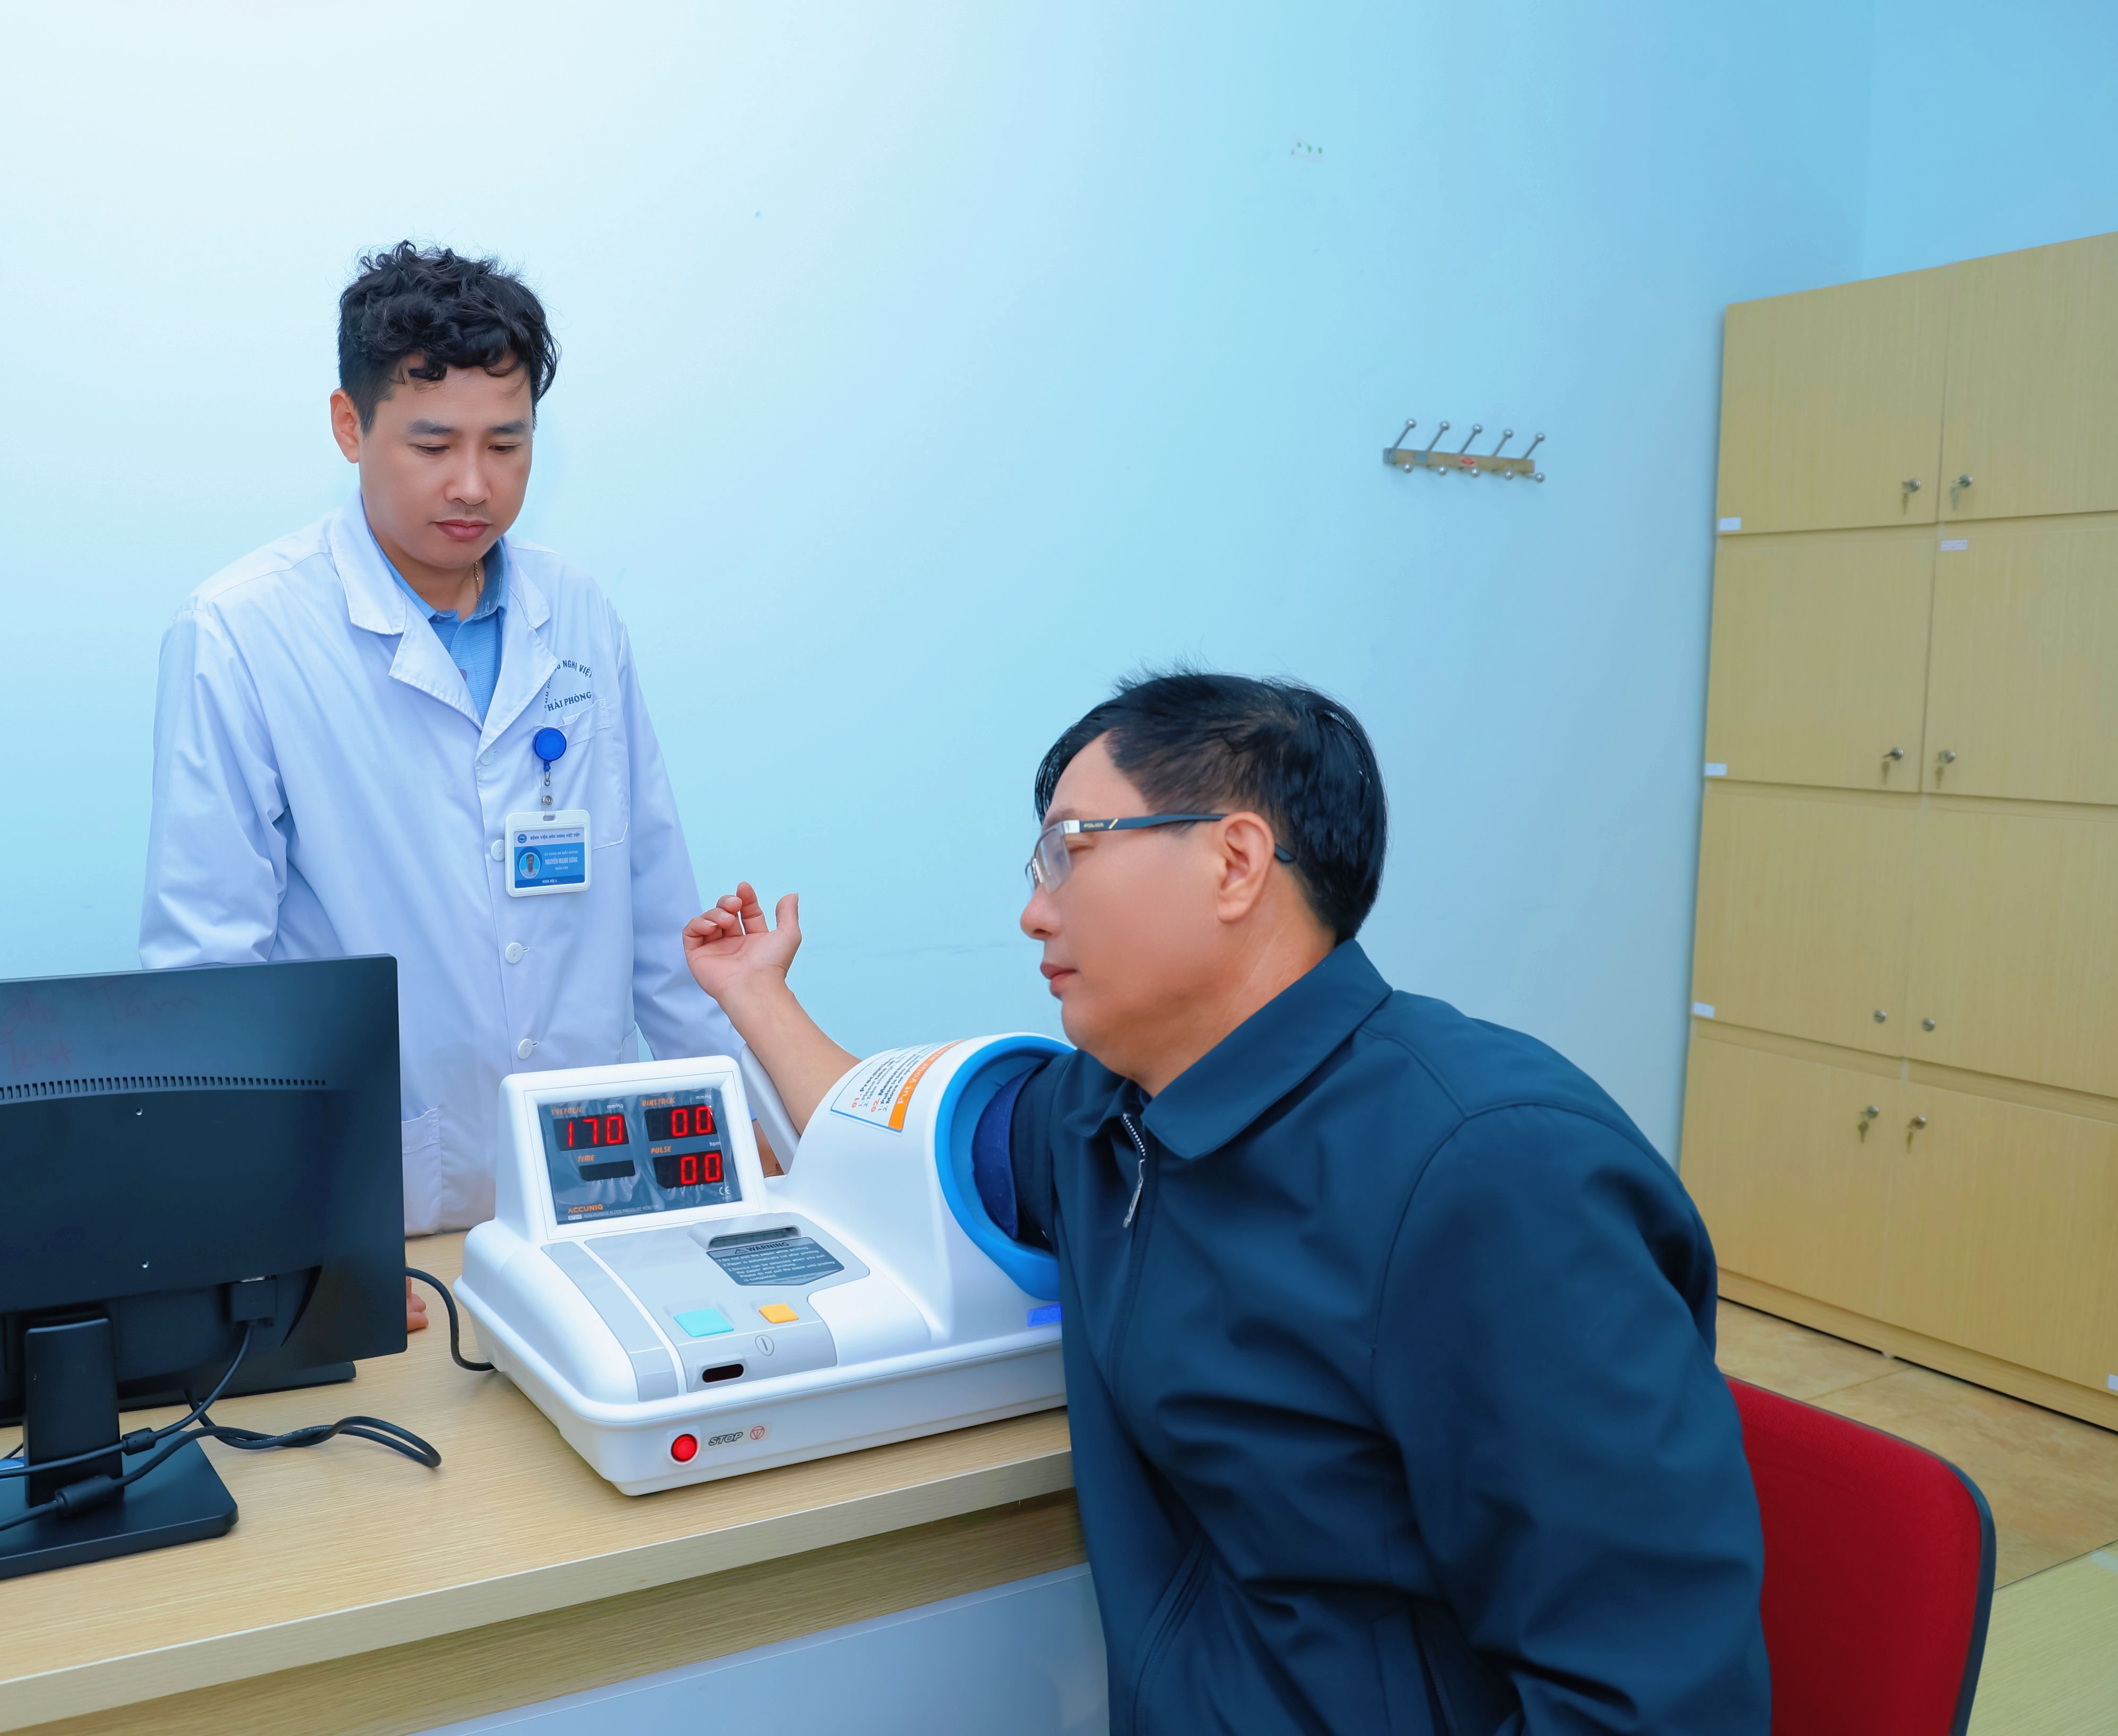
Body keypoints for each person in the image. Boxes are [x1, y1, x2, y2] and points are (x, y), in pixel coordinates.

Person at [681, 671, 1768, 1734]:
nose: (1032, 911)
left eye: (1067, 853)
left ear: (1235, 862)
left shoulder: (1496, 1175)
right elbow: (891, 1139)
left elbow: (1653, 1697)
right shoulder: (1106, 1113)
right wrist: (754, 993)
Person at [143, 242, 744, 1331]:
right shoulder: (241, 631)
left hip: (593, 1203)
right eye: (433, 444)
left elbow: (664, 927)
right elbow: (209, 977)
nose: (474, 484)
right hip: (376, 1217)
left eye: (506, 444)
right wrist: (280, 1247)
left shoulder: (579, 614)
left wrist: (764, 1161)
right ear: (349, 426)